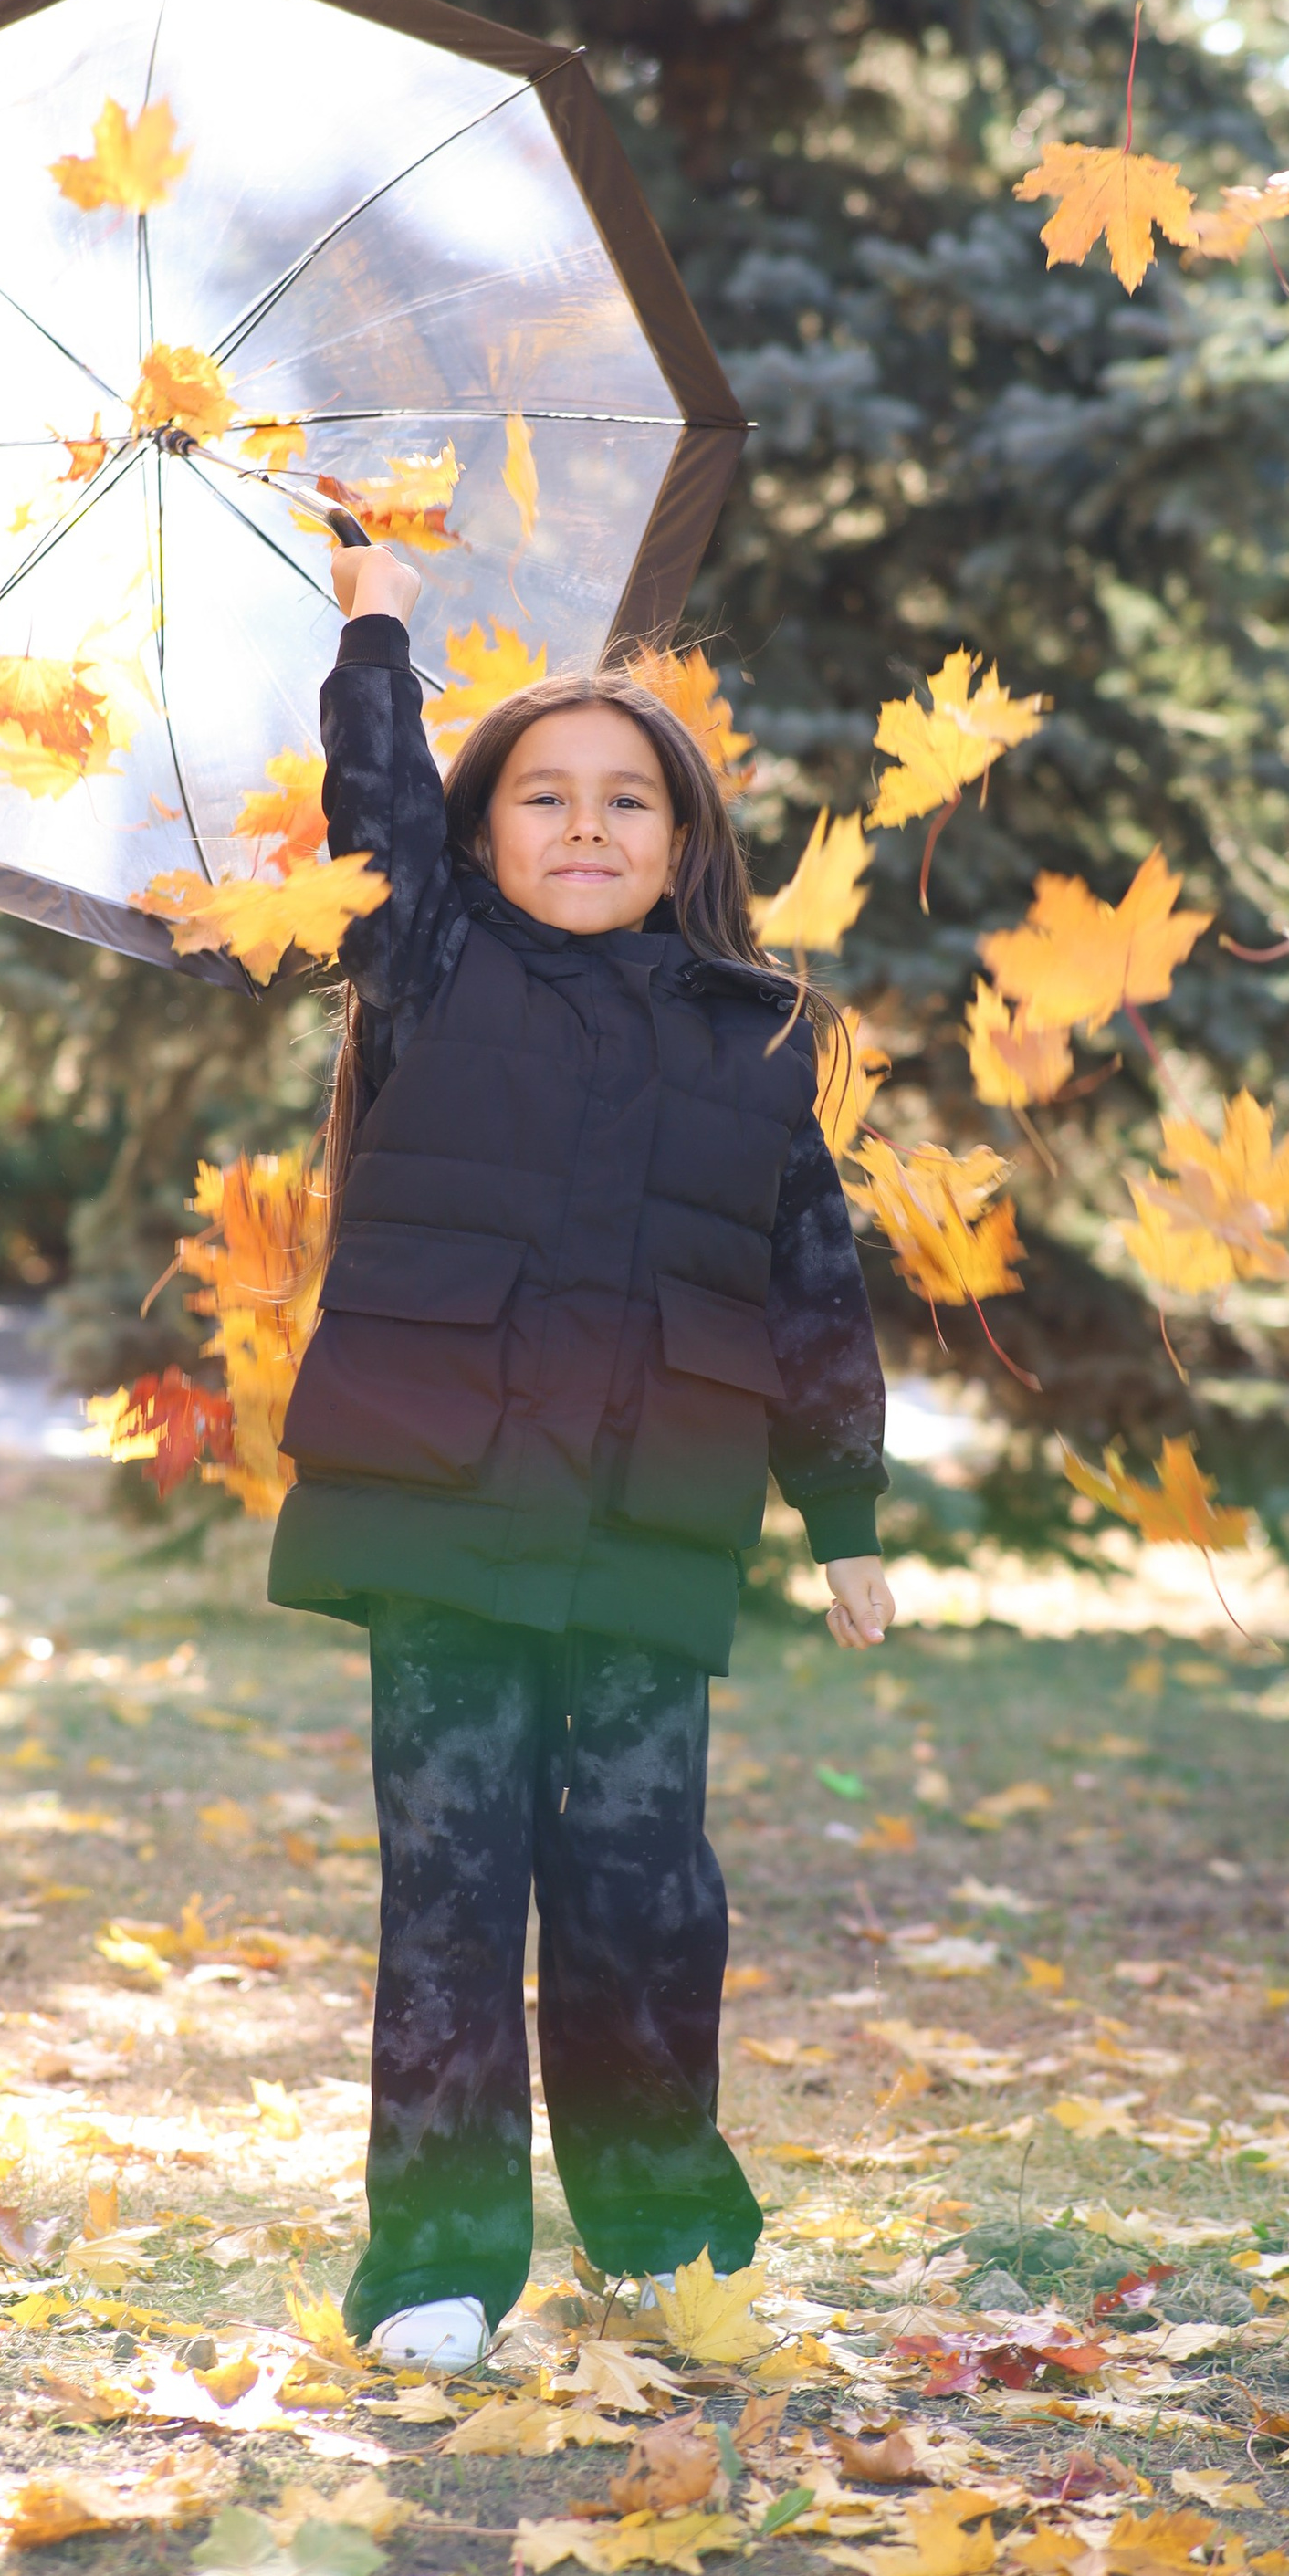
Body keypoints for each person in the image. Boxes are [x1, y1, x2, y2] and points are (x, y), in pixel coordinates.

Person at [268, 540, 896, 2372]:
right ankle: (440, 2265)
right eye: (541, 797)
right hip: (439, 1507)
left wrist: (841, 1509)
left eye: (628, 800)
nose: (586, 824)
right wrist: (371, 622)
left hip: (648, 1519)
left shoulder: (755, 1041)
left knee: (640, 1890)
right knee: (450, 1888)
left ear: (686, 844)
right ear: (477, 842)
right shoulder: (427, 966)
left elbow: (808, 1278)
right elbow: (372, 806)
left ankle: (661, 2229)